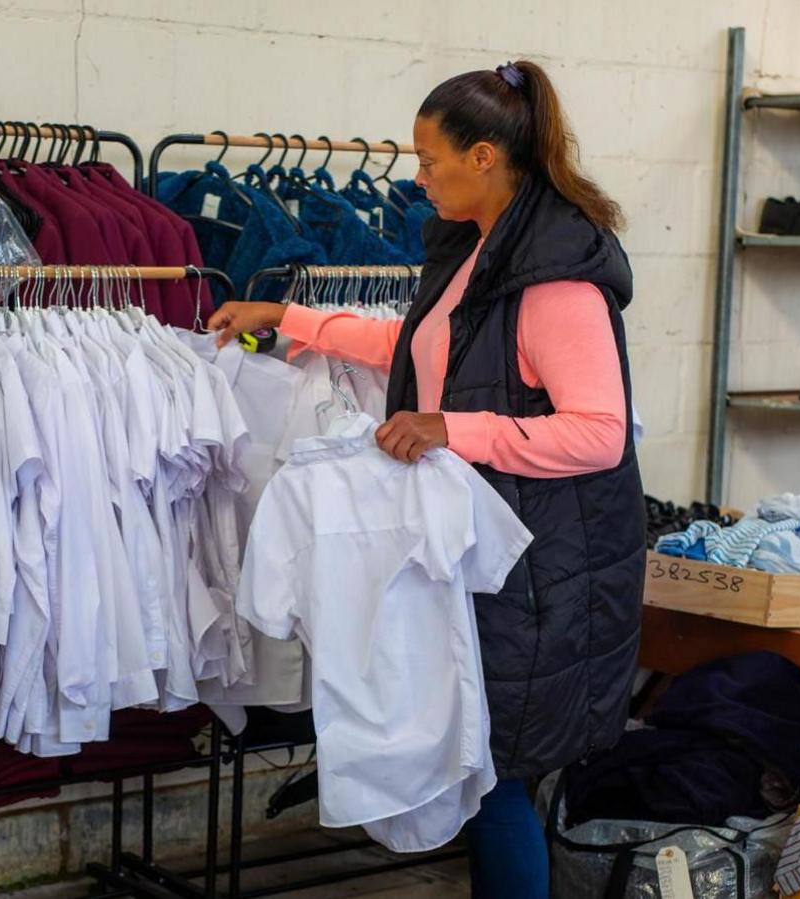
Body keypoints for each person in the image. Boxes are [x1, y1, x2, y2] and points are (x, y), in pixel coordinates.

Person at [208, 60, 645, 898]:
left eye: (429, 159)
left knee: (496, 775)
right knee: (482, 768)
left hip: (542, 569)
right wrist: (288, 319)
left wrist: (453, 428)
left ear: (484, 158)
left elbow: (599, 434)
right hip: (497, 553)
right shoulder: (483, 253)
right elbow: (414, 348)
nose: (418, 177)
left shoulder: (554, 280)